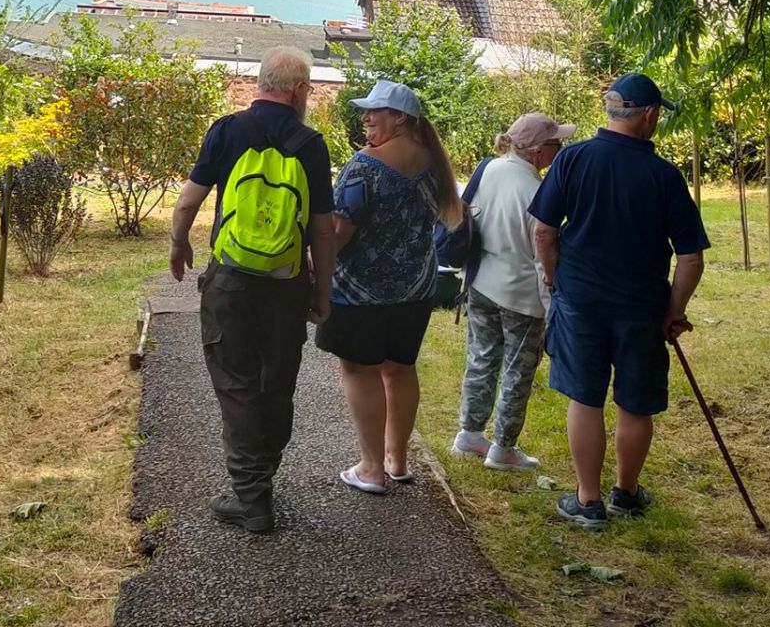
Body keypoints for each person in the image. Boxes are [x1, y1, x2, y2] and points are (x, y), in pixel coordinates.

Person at [168, 46, 335, 533]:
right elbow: (323, 230)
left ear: (262, 83)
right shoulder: (310, 144)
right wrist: (321, 291)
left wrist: (179, 248)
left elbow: (186, 204)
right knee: (277, 380)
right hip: (286, 285)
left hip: (231, 280)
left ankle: (251, 496)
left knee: (237, 383)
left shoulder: (226, 130)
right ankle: (260, 481)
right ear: (299, 89)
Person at [530, 73, 709, 529]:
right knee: (635, 403)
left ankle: (587, 501)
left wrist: (557, 283)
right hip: (641, 308)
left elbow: (544, 232)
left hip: (581, 302)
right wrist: (675, 311)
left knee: (585, 399)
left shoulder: (571, 160)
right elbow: (690, 259)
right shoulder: (665, 176)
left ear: (612, 111)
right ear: (648, 116)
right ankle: (626, 494)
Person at [317, 81, 462, 493]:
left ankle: (370, 469)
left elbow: (341, 229)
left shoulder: (365, 164)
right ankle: (396, 460)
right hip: (416, 291)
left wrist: (316, 269)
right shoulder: (435, 164)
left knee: (360, 370)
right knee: (399, 369)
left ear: (400, 118)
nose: (365, 117)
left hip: (361, 294)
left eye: (374, 110)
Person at [453, 112, 577, 472]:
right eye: (556, 144)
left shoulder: (489, 169)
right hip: (520, 294)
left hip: (480, 283)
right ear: (538, 151)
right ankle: (503, 448)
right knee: (517, 371)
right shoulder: (538, 192)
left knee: (481, 358)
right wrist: (550, 301)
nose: (560, 149)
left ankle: (470, 433)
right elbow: (542, 253)